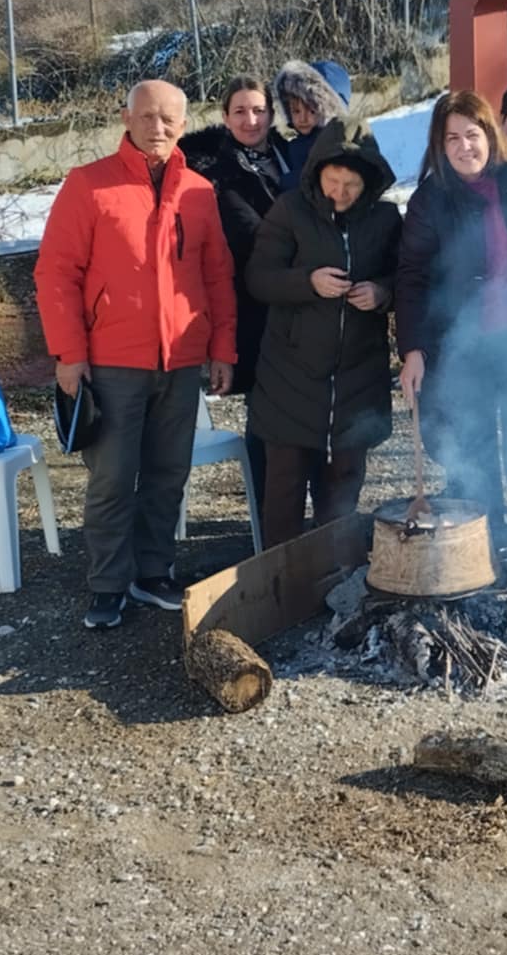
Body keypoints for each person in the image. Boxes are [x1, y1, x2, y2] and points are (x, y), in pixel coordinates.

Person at [34, 80, 236, 629]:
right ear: (126, 118)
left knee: (168, 475)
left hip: (182, 360)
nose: (157, 128)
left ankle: (154, 573)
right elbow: (56, 273)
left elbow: (217, 276)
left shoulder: (198, 191)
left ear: (184, 125)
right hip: (112, 361)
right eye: (147, 116)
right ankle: (107, 584)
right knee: (113, 479)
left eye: (169, 119)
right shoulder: (89, 184)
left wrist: (221, 348)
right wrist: (69, 353)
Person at [395, 90, 507, 588]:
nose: (465, 147)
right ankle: (480, 548)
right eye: (453, 139)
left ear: (490, 134)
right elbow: (411, 276)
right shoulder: (430, 199)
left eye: (472, 134)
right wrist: (413, 349)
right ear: (439, 146)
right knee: (473, 451)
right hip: (462, 344)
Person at [244, 116, 401, 548]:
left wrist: (381, 292)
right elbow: (259, 278)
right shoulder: (289, 211)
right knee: (285, 485)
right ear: (317, 173)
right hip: (290, 375)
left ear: (369, 182)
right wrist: (307, 282)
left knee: (344, 483)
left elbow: (403, 276)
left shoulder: (386, 218)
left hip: (358, 375)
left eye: (351, 185)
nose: (341, 193)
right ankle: (280, 574)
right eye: (333, 182)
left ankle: (335, 569)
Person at [182, 74, 293, 513]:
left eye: (259, 110)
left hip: (302, 306)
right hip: (252, 310)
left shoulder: (292, 157)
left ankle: (305, 520)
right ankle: (270, 522)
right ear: (225, 116)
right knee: (265, 418)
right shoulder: (210, 173)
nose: (251, 120)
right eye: (241, 111)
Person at [273, 59, 351, 188]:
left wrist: (286, 183)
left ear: (330, 110)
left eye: (312, 111)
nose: (303, 118)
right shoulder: (294, 144)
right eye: (296, 111)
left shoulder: (336, 144)